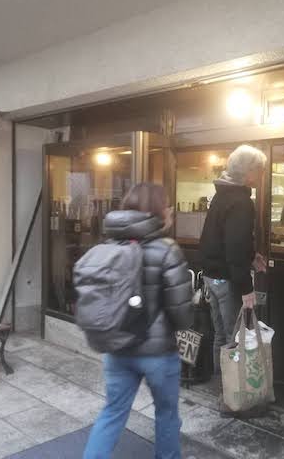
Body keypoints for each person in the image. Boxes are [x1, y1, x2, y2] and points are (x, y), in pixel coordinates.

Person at [83, 183, 192, 459]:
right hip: (158, 354)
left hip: (118, 347)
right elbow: (182, 314)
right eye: (167, 205)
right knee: (166, 414)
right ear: (158, 210)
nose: (170, 210)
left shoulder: (108, 246)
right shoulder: (167, 249)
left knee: (112, 412)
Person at [199, 144, 268, 376]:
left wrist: (252, 256)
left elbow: (219, 239)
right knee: (235, 337)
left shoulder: (222, 195)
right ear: (249, 172)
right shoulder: (241, 202)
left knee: (221, 335)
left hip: (212, 276)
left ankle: (221, 386)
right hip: (227, 279)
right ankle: (233, 391)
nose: (262, 175)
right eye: (260, 170)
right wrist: (246, 288)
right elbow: (235, 248)